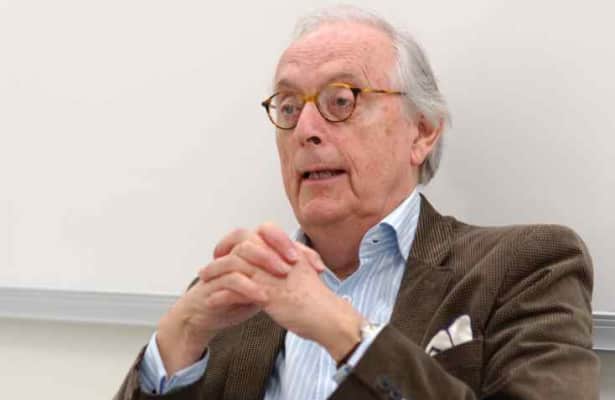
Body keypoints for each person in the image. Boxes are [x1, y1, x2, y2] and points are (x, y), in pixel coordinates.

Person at [115, 5, 599, 400]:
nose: (305, 130)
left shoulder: (526, 266)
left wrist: (341, 329)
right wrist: (177, 337)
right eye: (289, 107)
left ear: (422, 132)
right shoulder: (238, 293)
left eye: (342, 100)